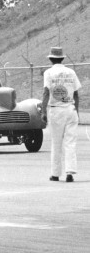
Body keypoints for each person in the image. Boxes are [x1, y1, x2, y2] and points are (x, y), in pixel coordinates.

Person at [41, 47, 81, 182]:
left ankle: (55, 173)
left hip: (56, 109)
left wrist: (43, 111)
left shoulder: (48, 73)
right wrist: (77, 111)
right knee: (70, 142)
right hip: (70, 109)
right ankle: (70, 172)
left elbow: (46, 92)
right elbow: (76, 93)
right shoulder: (71, 72)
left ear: (51, 59)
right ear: (62, 58)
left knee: (56, 143)